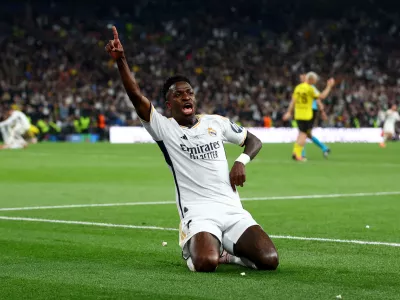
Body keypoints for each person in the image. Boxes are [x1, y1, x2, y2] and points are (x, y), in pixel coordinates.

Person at [105, 26, 279, 272]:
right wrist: (121, 60)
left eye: (189, 93)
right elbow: (135, 96)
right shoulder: (164, 129)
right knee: (205, 263)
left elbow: (254, 141)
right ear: (169, 104)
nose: (186, 97)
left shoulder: (215, 122)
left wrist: (241, 161)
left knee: (270, 260)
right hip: (198, 213)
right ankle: (199, 248)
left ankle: (230, 255)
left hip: (231, 209)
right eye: (179, 95)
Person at [283, 72, 335, 161]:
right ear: (310, 79)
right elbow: (320, 97)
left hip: (298, 114)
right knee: (304, 134)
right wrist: (329, 86)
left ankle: (297, 153)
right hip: (308, 114)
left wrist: (289, 112)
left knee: (303, 134)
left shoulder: (298, 87)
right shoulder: (311, 88)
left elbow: (293, 101)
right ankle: (299, 154)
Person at [297, 74, 331, 159]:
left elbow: (318, 99)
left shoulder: (310, 87)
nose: (301, 79)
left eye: (302, 77)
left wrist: (322, 112)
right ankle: (324, 147)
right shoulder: (303, 88)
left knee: (303, 133)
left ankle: (302, 154)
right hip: (307, 111)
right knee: (307, 134)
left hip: (310, 111)